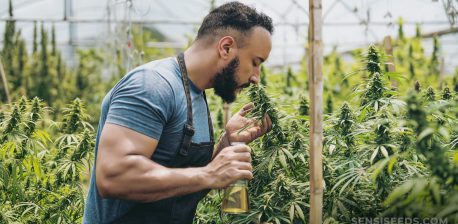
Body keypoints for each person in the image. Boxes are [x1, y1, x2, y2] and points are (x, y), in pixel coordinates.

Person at [83, 1, 274, 223]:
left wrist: (226, 144)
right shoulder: (152, 85)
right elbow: (114, 177)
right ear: (226, 48)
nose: (256, 77)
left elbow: (183, 189)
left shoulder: (197, 96)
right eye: (255, 62)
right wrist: (209, 174)